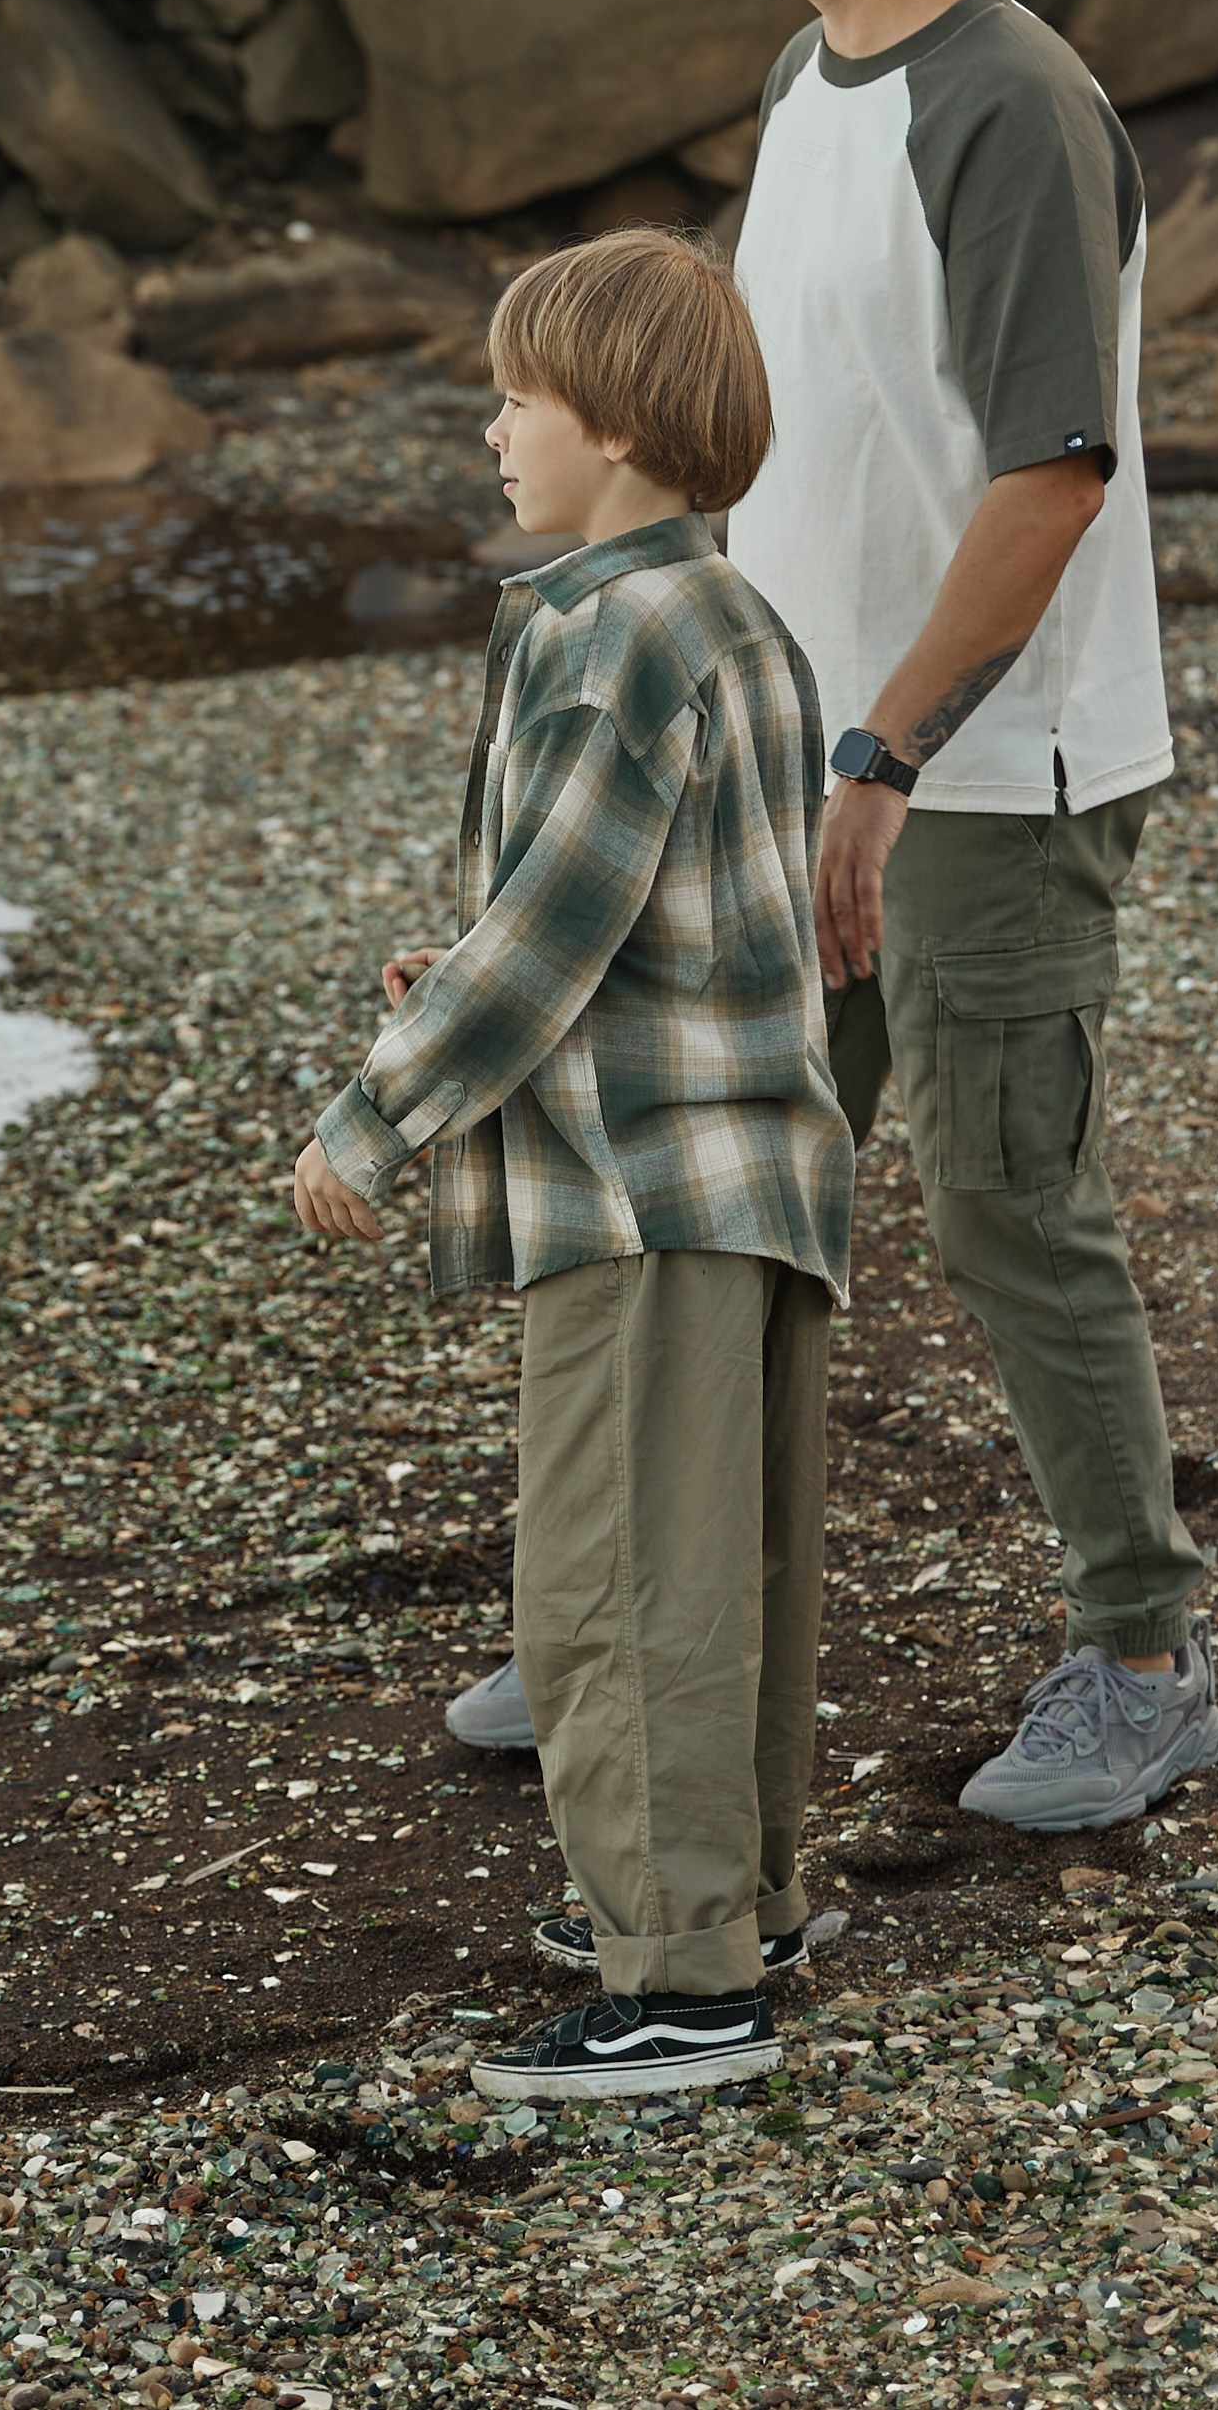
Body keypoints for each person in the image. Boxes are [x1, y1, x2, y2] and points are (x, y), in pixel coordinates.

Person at [453, 0, 1218, 1831]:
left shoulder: (1013, 108)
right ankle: (660, 1598)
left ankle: (1142, 1651)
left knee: (1004, 1203)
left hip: (991, 776)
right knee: (734, 1194)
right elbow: (774, 443)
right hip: (806, 755)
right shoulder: (808, 85)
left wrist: (885, 750)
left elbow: (1050, 471)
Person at [294, 231, 854, 2101]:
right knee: (736, 1564)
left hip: (629, 1194)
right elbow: (669, 922)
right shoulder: (735, 619)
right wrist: (456, 969)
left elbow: (546, 937)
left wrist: (377, 1109)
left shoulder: (607, 636)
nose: (492, 429)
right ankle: (741, 1901)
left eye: (520, 397)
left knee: (609, 1587)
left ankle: (682, 1978)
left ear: (614, 423)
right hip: (753, 1169)